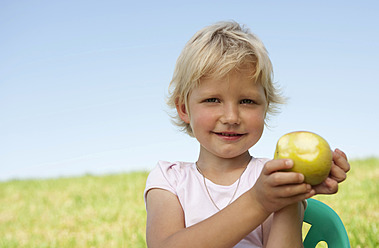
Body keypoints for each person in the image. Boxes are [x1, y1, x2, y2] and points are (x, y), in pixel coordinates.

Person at [144, 21, 350, 248]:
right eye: (213, 100)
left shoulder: (273, 177)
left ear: (265, 107)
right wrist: (258, 202)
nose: (231, 117)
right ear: (184, 108)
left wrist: (291, 196)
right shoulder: (169, 180)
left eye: (247, 101)